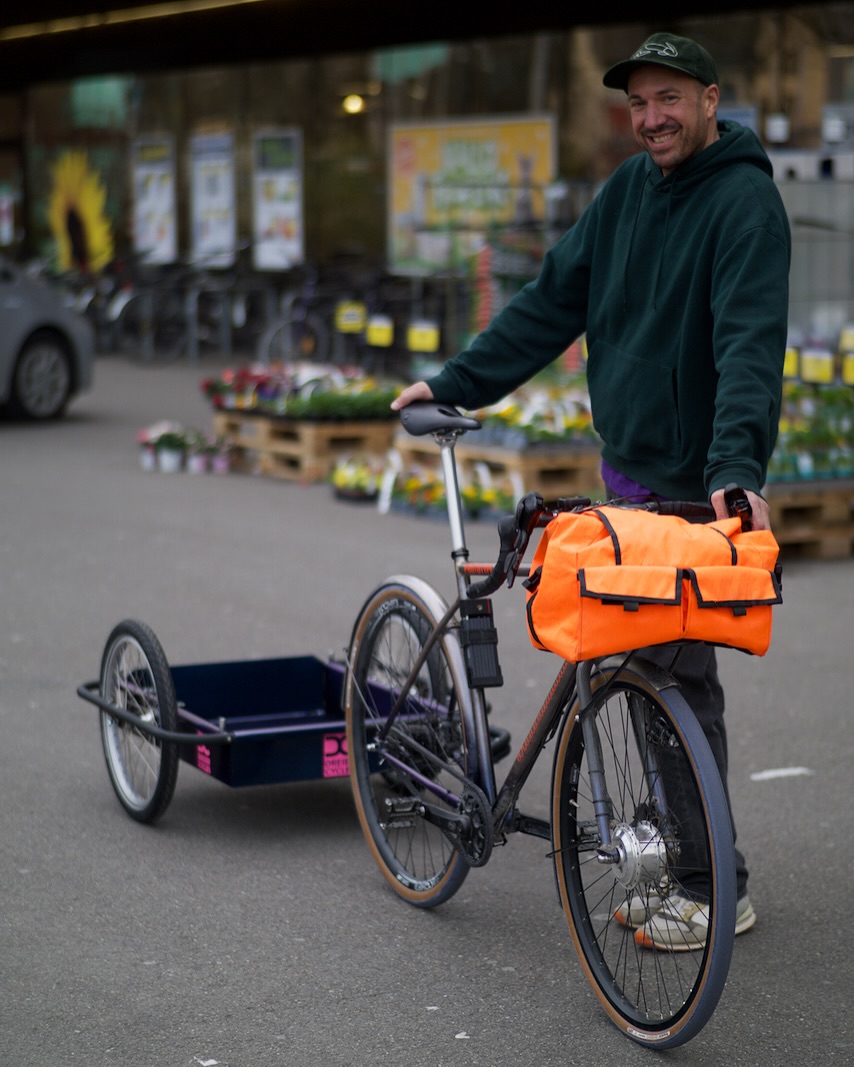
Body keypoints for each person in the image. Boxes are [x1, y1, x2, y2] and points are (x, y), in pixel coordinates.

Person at [392, 31, 791, 951]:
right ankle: (689, 866)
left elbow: (748, 346)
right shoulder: (623, 195)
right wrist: (457, 382)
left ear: (710, 99)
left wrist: (736, 468)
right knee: (640, 669)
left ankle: (709, 883)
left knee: (680, 680)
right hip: (630, 471)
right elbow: (547, 302)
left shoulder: (745, 205)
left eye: (670, 100)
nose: (652, 118)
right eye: (639, 103)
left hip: (695, 486)